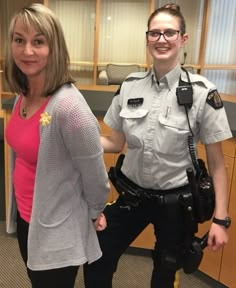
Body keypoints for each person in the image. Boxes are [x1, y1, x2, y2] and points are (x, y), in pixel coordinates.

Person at [83, 3, 232, 288]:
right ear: (147, 37)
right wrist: (76, 141)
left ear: (183, 39)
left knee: (165, 272)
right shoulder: (130, 86)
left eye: (169, 33)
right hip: (132, 195)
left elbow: (216, 164)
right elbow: (114, 142)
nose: (161, 39)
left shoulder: (203, 93)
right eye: (154, 33)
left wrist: (221, 220)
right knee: (97, 254)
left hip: (175, 203)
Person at [4, 3, 110, 288]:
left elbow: (96, 177)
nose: (27, 51)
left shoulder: (70, 108)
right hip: (30, 219)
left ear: (54, 48)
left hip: (58, 228)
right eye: (19, 40)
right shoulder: (21, 97)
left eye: (38, 41)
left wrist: (93, 213)